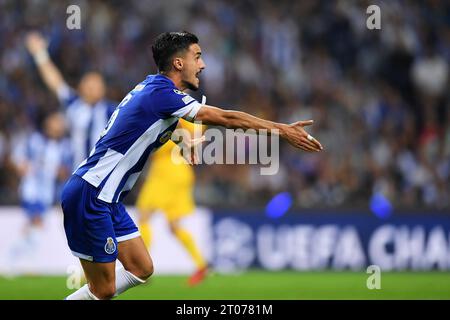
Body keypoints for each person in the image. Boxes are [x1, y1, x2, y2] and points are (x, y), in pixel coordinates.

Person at [63, 31, 323, 300]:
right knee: (103, 289)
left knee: (142, 267)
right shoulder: (162, 93)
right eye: (197, 57)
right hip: (91, 192)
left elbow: (156, 129)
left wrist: (185, 144)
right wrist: (282, 130)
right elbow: (226, 118)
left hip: (108, 198)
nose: (203, 65)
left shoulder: (152, 91)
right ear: (178, 63)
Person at [25, 32, 116, 168]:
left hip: (103, 176)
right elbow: (55, 82)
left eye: (98, 84)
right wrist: (40, 55)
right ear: (81, 87)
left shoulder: (112, 110)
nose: (94, 88)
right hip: (78, 173)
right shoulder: (74, 104)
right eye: (90, 84)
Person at [136, 119, 208, 286]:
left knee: (144, 216)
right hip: (182, 171)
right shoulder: (190, 117)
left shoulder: (171, 112)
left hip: (165, 172)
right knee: (174, 225)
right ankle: (201, 264)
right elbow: (196, 132)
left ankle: (140, 266)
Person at [10, 112, 71, 265]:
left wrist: (61, 172)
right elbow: (18, 158)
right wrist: (20, 165)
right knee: (37, 222)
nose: (59, 126)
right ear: (47, 124)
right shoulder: (35, 140)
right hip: (32, 190)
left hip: (48, 193)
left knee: (34, 225)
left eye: (60, 123)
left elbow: (66, 172)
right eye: (56, 122)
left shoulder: (65, 146)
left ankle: (15, 257)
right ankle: (21, 260)